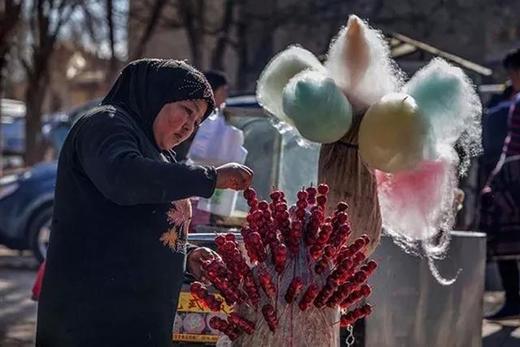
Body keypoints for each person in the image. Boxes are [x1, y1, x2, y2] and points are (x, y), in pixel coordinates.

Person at [35, 59, 253, 346]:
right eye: (186, 110)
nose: (189, 126)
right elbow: (124, 178)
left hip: (138, 325)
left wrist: (186, 255)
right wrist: (210, 178)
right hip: (92, 323)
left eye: (197, 121)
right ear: (157, 96)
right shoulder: (105, 125)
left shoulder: (160, 154)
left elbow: (140, 226)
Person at [481, 48, 520, 320]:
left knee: (504, 234)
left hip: (515, 179)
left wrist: (494, 180)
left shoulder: (518, 102)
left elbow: (511, 146)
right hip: (513, 176)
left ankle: (513, 299)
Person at [174, 70, 229, 162]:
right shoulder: (196, 112)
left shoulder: (217, 115)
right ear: (212, 91)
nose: (225, 96)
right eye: (223, 91)